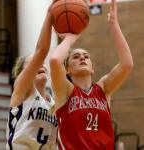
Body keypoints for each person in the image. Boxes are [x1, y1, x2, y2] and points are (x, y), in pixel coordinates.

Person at [49, 0, 134, 149]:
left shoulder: (103, 88)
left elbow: (127, 64)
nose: (82, 58)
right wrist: (70, 37)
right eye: (75, 57)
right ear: (67, 69)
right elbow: (55, 60)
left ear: (92, 68)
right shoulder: (66, 91)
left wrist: (114, 24)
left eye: (86, 56)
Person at [6, 1, 58, 150]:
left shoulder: (53, 103)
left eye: (42, 64)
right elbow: (41, 51)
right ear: (23, 73)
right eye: (34, 64)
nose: (41, 64)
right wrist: (49, 15)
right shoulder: (22, 91)